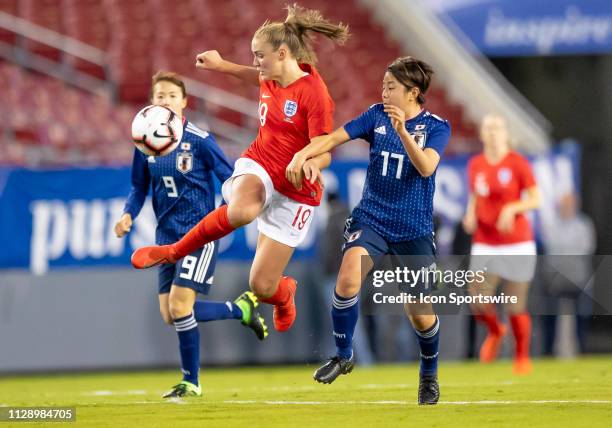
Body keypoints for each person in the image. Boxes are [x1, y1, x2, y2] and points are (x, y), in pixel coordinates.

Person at [131, 5, 349, 333]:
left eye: (259, 55)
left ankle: (285, 294)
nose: (256, 62)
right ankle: (174, 251)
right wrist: (221, 66)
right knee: (243, 209)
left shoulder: (314, 94)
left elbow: (326, 151)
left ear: (282, 53)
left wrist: (308, 161)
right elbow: (256, 77)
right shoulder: (272, 75)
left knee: (261, 285)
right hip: (260, 163)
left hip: (296, 191)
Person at [286, 56, 451, 405]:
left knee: (420, 314)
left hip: (413, 228)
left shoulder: (437, 127)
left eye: (391, 86)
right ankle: (344, 355)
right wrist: (303, 155)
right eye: (383, 85)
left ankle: (429, 374)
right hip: (372, 218)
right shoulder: (376, 115)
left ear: (413, 92)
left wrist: (404, 132)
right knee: (347, 279)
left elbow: (425, 168)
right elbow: (334, 138)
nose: (384, 91)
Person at [114, 71, 268, 399]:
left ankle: (191, 382)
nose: (165, 101)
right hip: (165, 239)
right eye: (159, 96)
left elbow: (228, 175)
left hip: (199, 235)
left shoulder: (199, 139)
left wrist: (237, 199)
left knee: (181, 305)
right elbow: (139, 186)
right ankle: (238, 310)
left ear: (184, 102)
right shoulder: (144, 142)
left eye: (171, 95)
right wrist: (128, 213)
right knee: (171, 314)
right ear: (151, 101)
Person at [462, 113, 541, 375]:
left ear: (506, 133)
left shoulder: (517, 163)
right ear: (482, 134)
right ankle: (496, 331)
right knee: (477, 299)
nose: (493, 133)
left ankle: (521, 356)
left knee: (515, 304)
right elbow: (475, 194)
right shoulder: (476, 164)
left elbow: (535, 199)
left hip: (517, 242)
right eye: (488, 128)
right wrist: (471, 213)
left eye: (497, 128)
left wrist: (512, 208)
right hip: (485, 241)